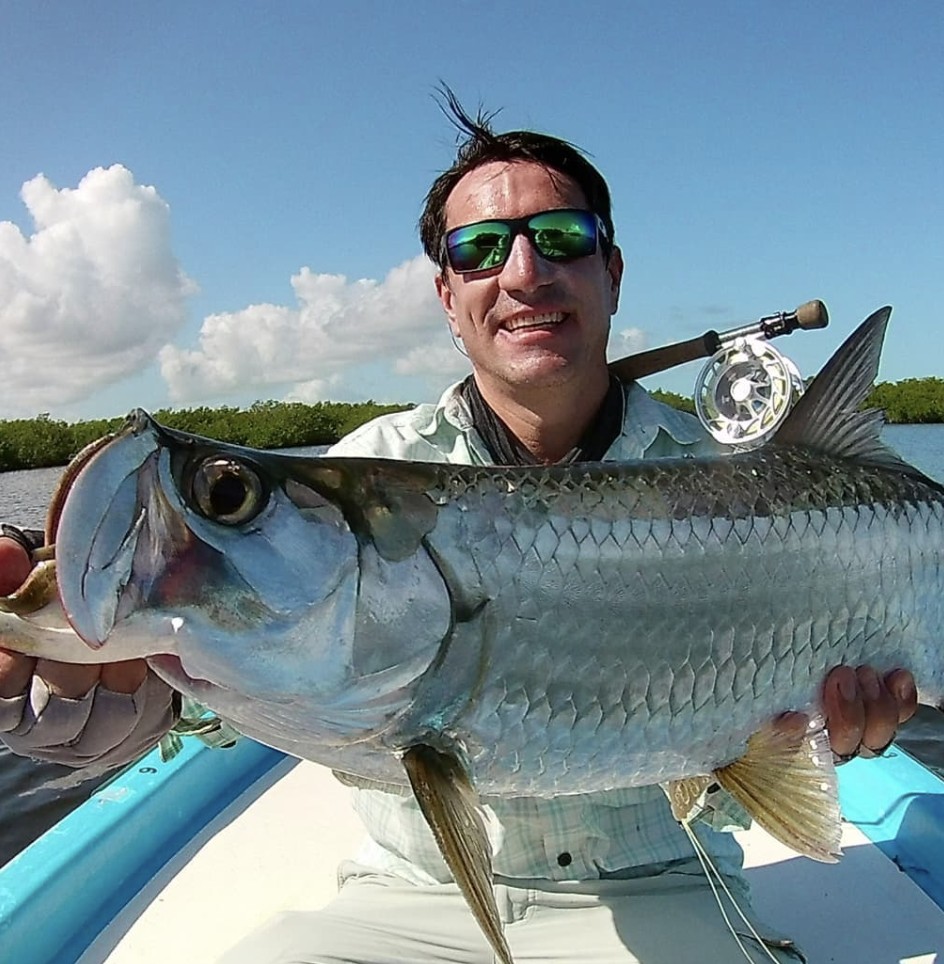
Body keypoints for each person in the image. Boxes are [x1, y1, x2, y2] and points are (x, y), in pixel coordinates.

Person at [0, 96, 918, 963]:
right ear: (447, 296)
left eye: (562, 238)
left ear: (612, 272)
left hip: (664, 886)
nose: (524, 273)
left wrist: (829, 728)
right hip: (407, 897)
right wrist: (84, 703)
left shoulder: (728, 478)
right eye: (480, 250)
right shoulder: (369, 463)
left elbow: (761, 748)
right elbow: (190, 698)